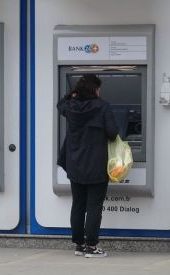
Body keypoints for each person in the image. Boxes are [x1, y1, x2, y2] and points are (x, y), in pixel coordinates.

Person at [57, 74, 119, 258]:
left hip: (75, 163)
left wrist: (71, 94)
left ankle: (79, 245)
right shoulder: (102, 107)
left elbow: (60, 104)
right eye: (98, 88)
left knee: (78, 204)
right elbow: (113, 132)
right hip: (96, 163)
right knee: (94, 205)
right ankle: (92, 247)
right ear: (94, 90)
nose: (100, 91)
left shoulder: (70, 106)